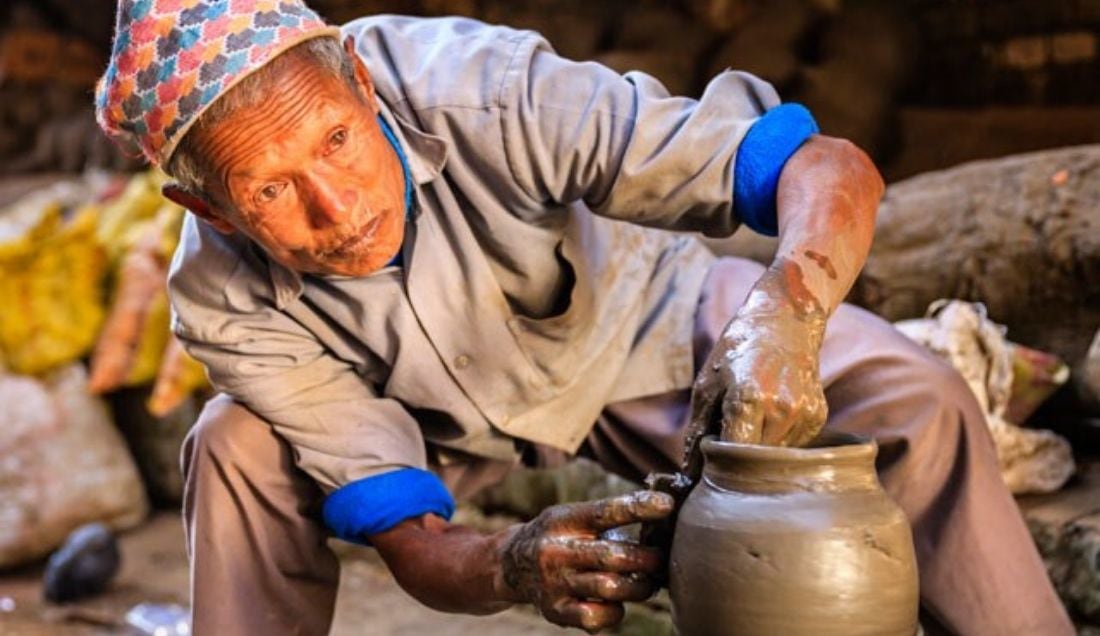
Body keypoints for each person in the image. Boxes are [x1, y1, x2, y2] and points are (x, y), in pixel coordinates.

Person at [95, 1, 1074, 634]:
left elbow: (827, 168)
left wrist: (788, 309)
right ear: (209, 209)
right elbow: (415, 546)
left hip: (647, 319)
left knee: (915, 393)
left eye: (339, 141)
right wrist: (510, 566)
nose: (337, 208)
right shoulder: (217, 297)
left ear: (358, 79)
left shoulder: (484, 88)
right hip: (432, 424)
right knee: (232, 445)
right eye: (270, 191)